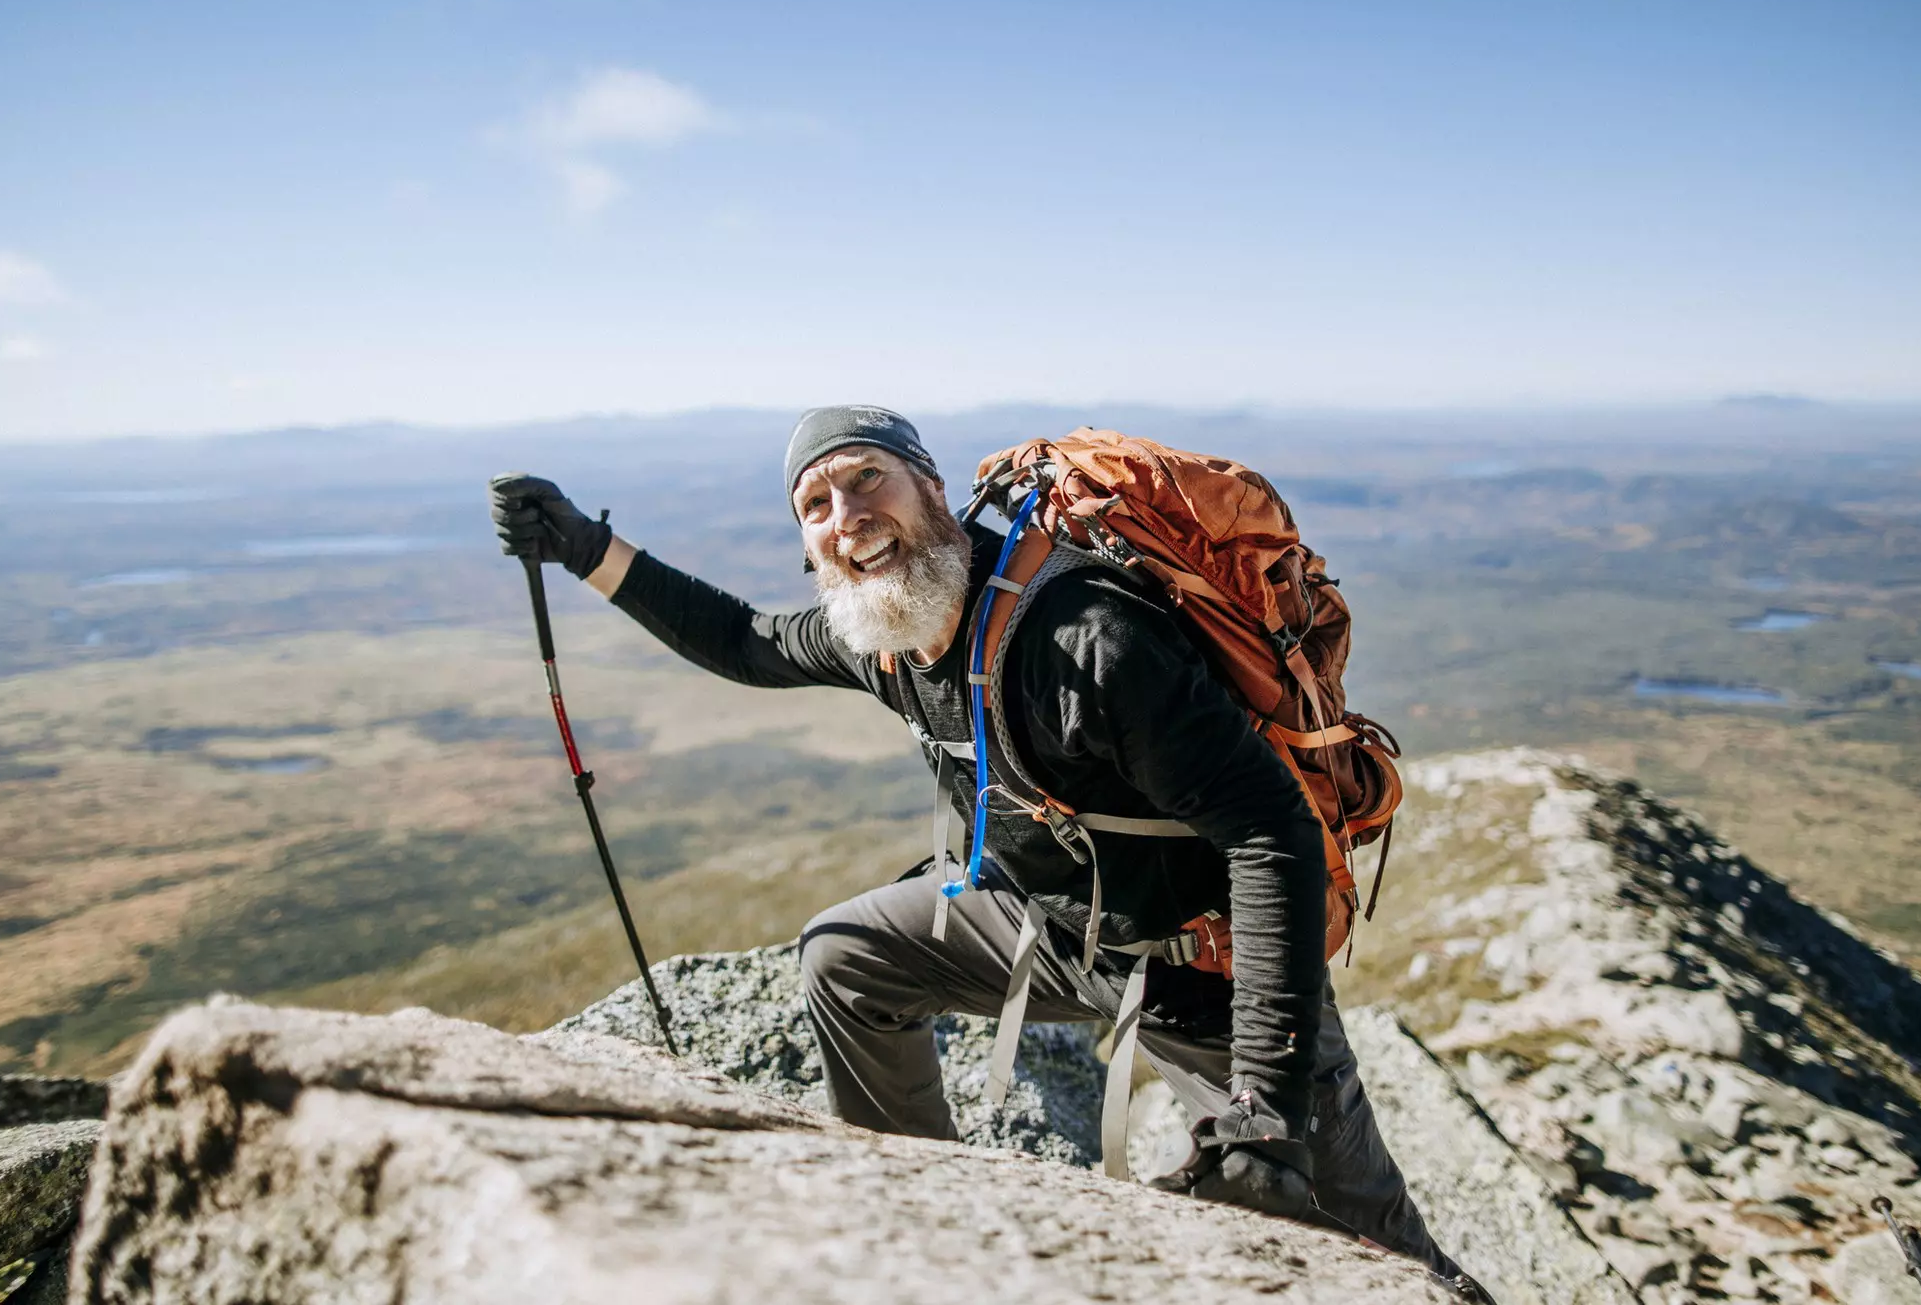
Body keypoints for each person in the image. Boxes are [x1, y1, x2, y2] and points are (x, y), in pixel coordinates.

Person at [490, 406, 1490, 1298]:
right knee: (846, 955)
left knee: (1377, 1245)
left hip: (1202, 969)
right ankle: (931, 1225)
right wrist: (585, 547)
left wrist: (1266, 1105)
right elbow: (746, 637)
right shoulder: (887, 627)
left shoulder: (1084, 638)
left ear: (932, 487)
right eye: (817, 502)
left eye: (866, 478)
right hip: (1050, 924)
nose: (848, 512)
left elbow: (1270, 833)